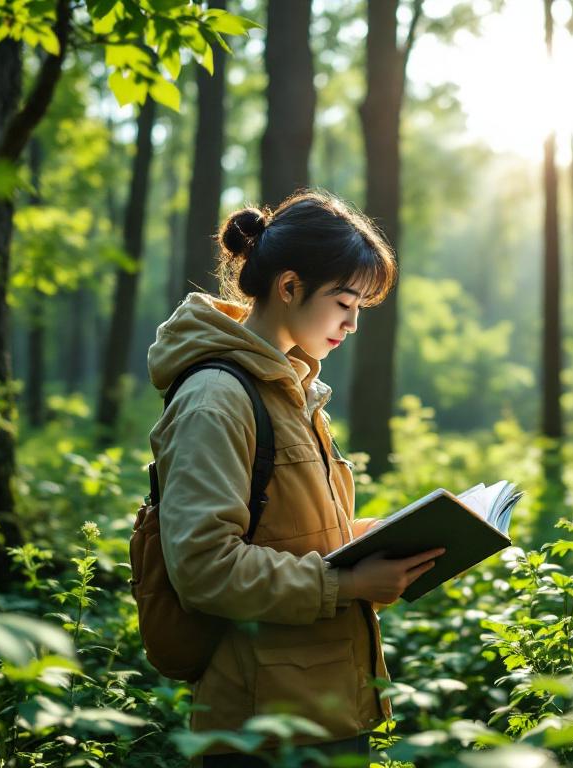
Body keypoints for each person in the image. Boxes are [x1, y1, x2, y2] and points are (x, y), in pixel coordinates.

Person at [146, 190, 443, 767]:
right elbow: (205, 568)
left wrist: (368, 536)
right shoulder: (217, 398)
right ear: (288, 287)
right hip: (262, 722)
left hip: (322, 702)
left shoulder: (289, 386)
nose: (353, 324)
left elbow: (278, 531)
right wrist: (350, 584)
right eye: (344, 302)